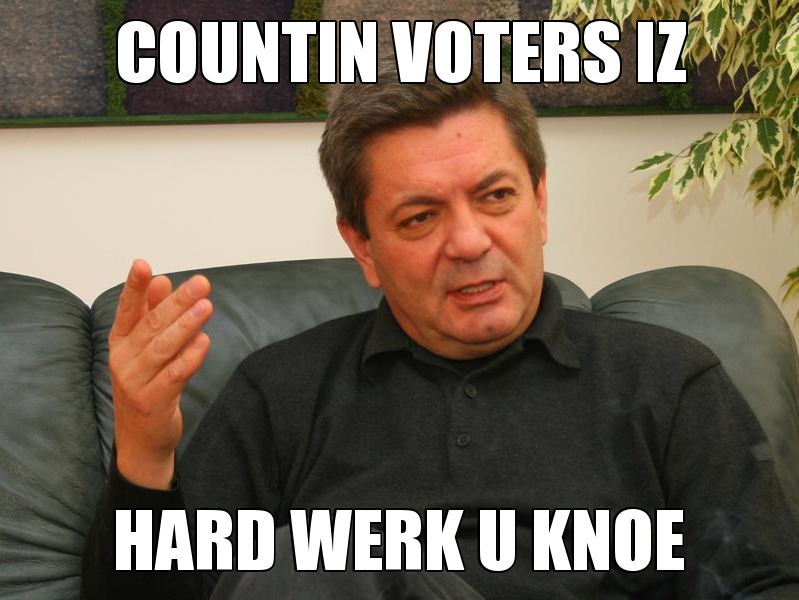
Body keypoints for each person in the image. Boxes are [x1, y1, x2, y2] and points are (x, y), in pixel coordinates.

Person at [82, 67, 799, 599]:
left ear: (540, 203)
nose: (469, 241)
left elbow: (761, 584)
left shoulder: (669, 381)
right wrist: (145, 449)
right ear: (363, 245)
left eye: (496, 197)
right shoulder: (280, 393)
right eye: (420, 217)